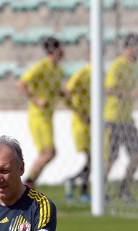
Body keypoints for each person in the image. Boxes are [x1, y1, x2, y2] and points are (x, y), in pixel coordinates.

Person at [18, 37, 65, 189]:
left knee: (49, 153)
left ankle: (29, 184)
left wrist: (64, 93)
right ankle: (26, 184)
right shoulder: (41, 66)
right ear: (54, 50)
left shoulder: (57, 70)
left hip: (48, 116)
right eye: (60, 48)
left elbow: (56, 88)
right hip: (38, 115)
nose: (63, 52)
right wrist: (36, 99)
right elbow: (22, 83)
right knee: (48, 152)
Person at [103, 33, 138, 203]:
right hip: (113, 118)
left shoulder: (133, 66)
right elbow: (109, 88)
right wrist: (129, 94)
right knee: (111, 158)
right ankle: (101, 191)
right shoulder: (117, 65)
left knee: (137, 154)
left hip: (127, 119)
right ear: (129, 47)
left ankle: (124, 190)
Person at [63, 61, 92, 201]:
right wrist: (78, 111)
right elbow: (67, 91)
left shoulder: (99, 74)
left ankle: (76, 183)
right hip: (81, 123)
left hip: (93, 122)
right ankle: (80, 187)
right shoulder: (82, 72)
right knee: (92, 158)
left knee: (93, 159)